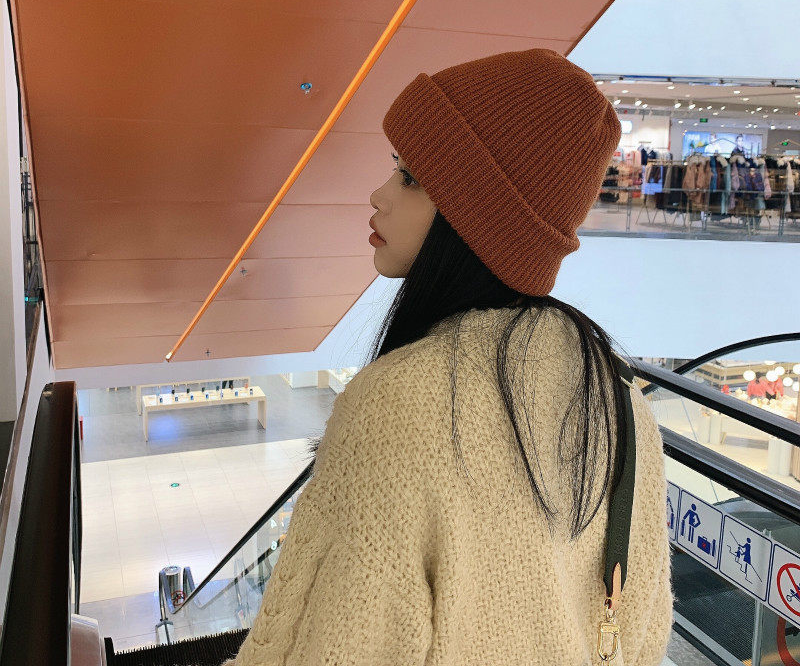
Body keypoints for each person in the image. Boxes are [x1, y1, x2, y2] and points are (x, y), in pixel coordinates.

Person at [225, 49, 673, 665]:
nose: (379, 196)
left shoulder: (399, 404)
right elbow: (644, 632)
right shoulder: (618, 401)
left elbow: (339, 646)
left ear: (476, 216)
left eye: (410, 178)